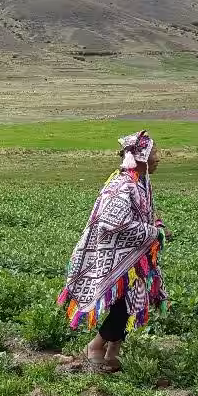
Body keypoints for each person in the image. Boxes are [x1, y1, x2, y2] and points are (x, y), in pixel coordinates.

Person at [58, 131, 168, 371]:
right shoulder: (122, 185)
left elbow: (141, 216)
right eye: (155, 153)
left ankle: (113, 351)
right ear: (141, 157)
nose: (158, 158)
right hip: (113, 257)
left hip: (131, 260)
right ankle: (95, 346)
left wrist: (156, 226)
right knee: (124, 306)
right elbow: (111, 222)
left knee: (130, 303)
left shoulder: (139, 183)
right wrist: (152, 233)